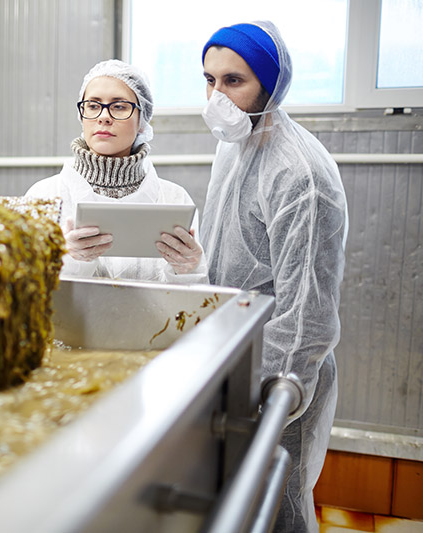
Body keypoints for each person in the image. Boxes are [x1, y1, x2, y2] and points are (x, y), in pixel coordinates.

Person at [199, 21, 348, 532]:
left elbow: (307, 313)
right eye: (209, 80)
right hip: (237, 358)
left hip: (281, 374)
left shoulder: (298, 174)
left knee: (278, 508)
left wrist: (277, 393)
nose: (217, 96)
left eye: (233, 81)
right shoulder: (235, 144)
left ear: (269, 84)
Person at [26, 59, 207, 283]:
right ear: (82, 116)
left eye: (119, 106)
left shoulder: (174, 199)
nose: (103, 116)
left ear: (142, 121)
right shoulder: (44, 195)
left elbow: (193, 303)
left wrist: (189, 269)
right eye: (93, 105)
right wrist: (65, 259)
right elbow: (23, 288)